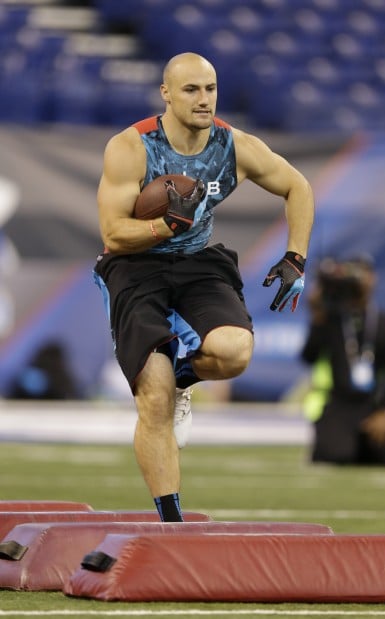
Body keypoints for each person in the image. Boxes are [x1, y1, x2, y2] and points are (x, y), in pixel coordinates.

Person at [94, 52, 314, 521]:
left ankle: (185, 378)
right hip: (136, 267)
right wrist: (165, 228)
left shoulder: (235, 145)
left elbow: (298, 186)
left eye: (210, 89)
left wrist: (296, 256)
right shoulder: (132, 147)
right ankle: (173, 526)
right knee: (153, 395)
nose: (203, 99)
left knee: (236, 352)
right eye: (191, 89)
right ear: (166, 94)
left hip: (198, 262)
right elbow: (113, 234)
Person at [301, 255, 385, 466]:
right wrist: (317, 315)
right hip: (338, 404)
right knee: (336, 455)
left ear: (373, 279)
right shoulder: (332, 319)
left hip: (372, 404)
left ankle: (363, 445)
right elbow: (309, 357)